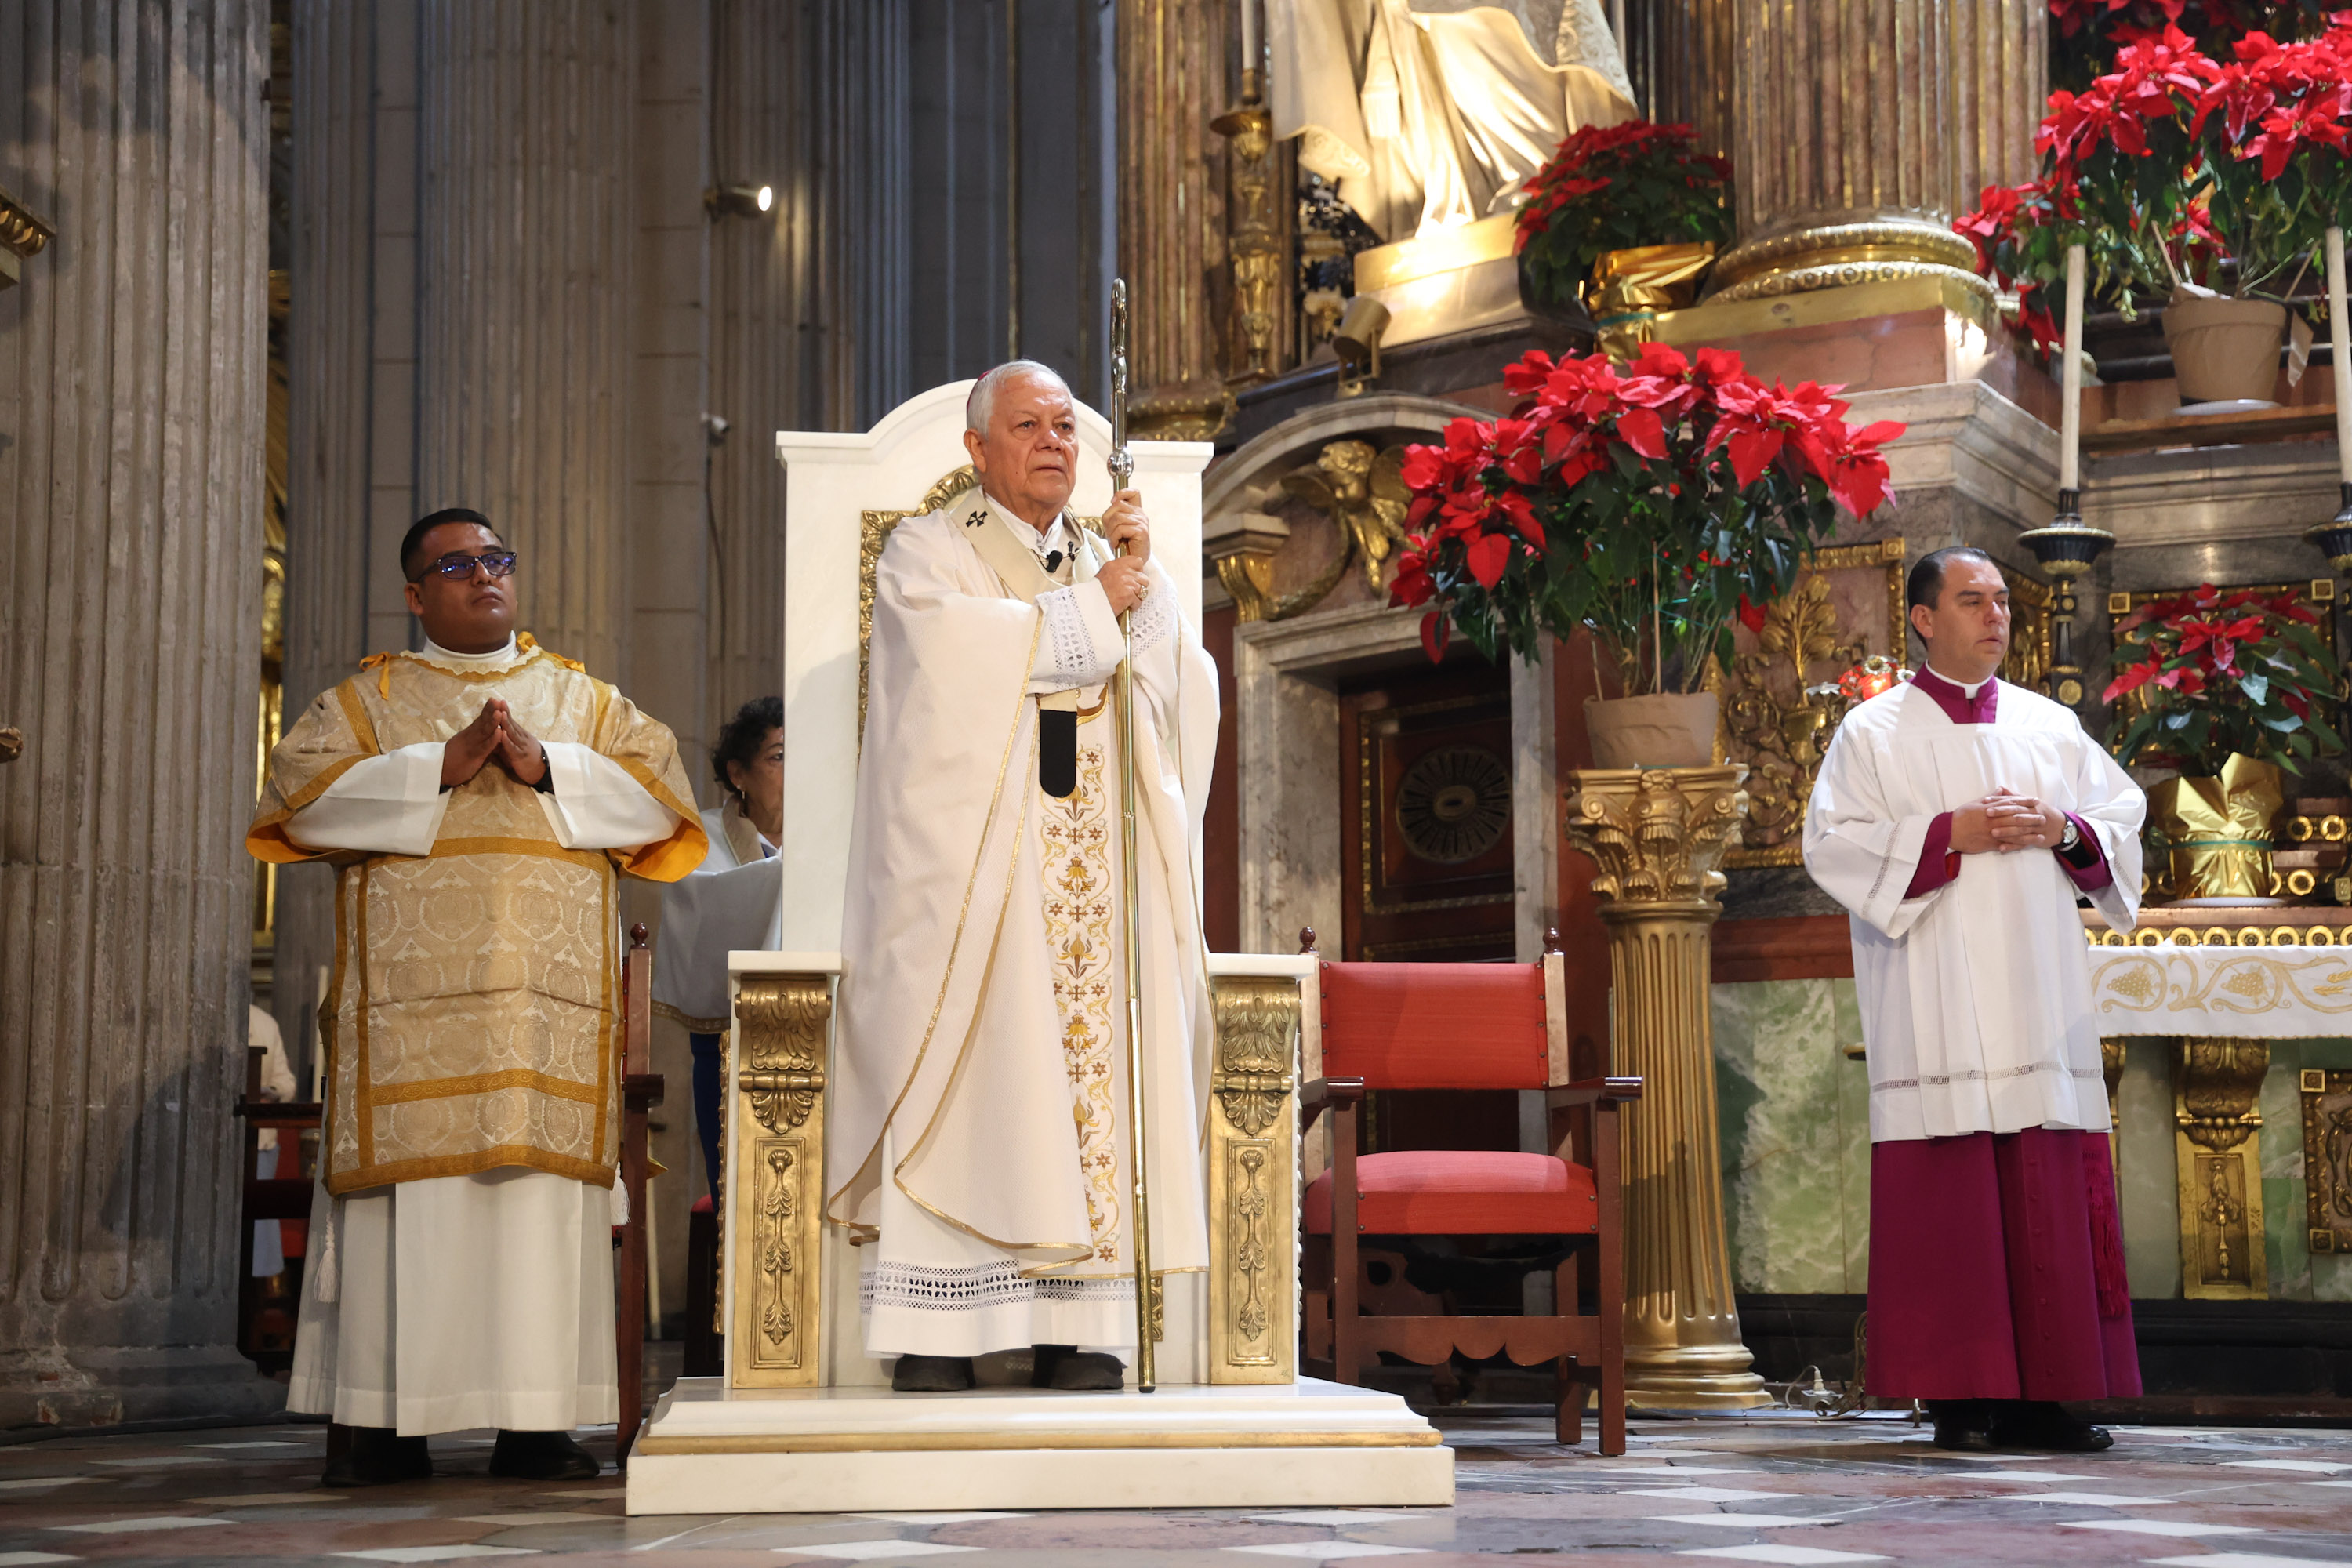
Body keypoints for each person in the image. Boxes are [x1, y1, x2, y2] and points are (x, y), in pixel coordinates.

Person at [248, 507, 706, 1484]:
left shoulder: (583, 701)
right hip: (413, 1022)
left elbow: (665, 805)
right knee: (410, 1213)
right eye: (457, 565)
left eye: (496, 559)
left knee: (534, 1212)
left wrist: (548, 766)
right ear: (416, 595)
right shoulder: (366, 702)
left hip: (545, 1020)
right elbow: (297, 804)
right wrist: (438, 766)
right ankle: (385, 1424)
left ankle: (535, 1424)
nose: (484, 575)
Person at [831, 361, 1218, 1392]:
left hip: (1098, 879)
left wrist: (1147, 599)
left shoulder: (1105, 555)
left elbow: (1179, 696)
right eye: (1027, 425)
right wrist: (1096, 608)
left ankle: (1074, 1328)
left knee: (1090, 1088)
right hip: (983, 880)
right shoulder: (928, 550)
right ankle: (940, 1333)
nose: (1054, 442)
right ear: (977, 448)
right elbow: (943, 670)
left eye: (1064, 426)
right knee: (980, 1078)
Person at [1802, 546, 2147, 1454]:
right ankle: (1959, 1395)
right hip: (1935, 990)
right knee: (1948, 1182)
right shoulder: (1872, 732)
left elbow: (2120, 820)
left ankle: (2048, 1397)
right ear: (1923, 618)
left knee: (2043, 1175)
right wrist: (1946, 832)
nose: (1996, 615)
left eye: (2001, 601)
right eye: (1972, 600)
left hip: (2037, 987)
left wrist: (2063, 827)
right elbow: (1832, 843)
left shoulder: (2049, 724)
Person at [653, 696, 785, 1200]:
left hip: (822, 1032)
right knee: (739, 1194)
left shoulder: (830, 836)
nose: (795, 771)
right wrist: (784, 878)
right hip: (727, 1043)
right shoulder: (701, 837)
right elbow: (702, 912)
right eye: (778, 757)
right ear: (738, 773)